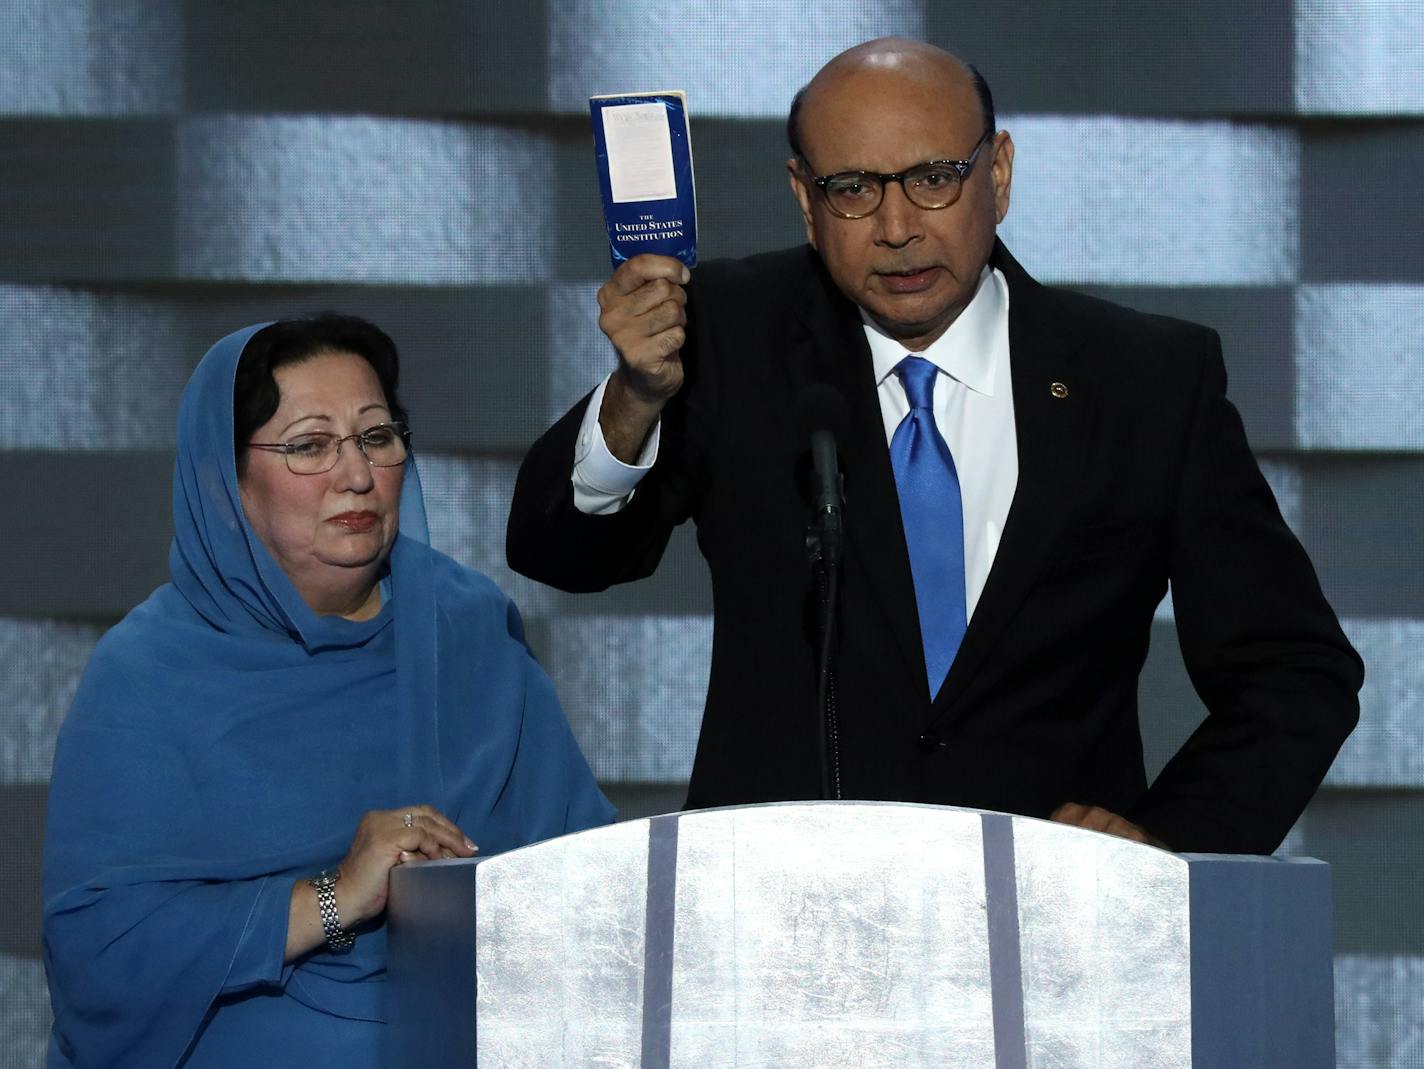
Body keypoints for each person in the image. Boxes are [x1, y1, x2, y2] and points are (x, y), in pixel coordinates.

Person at [507, 38, 1362, 854]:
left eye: (934, 178)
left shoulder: (1145, 380)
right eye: (853, 189)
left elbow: (1294, 672)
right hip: (777, 931)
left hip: (1056, 932)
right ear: (805, 201)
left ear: (998, 173)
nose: (897, 226)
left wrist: (1163, 844)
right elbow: (560, 551)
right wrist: (634, 399)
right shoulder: (733, 333)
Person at [43, 315, 613, 1068]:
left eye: (377, 437)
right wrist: (334, 896)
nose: (356, 474)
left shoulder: (469, 629)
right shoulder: (148, 673)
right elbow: (99, 958)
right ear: (227, 477)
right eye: (310, 444)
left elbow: (591, 885)